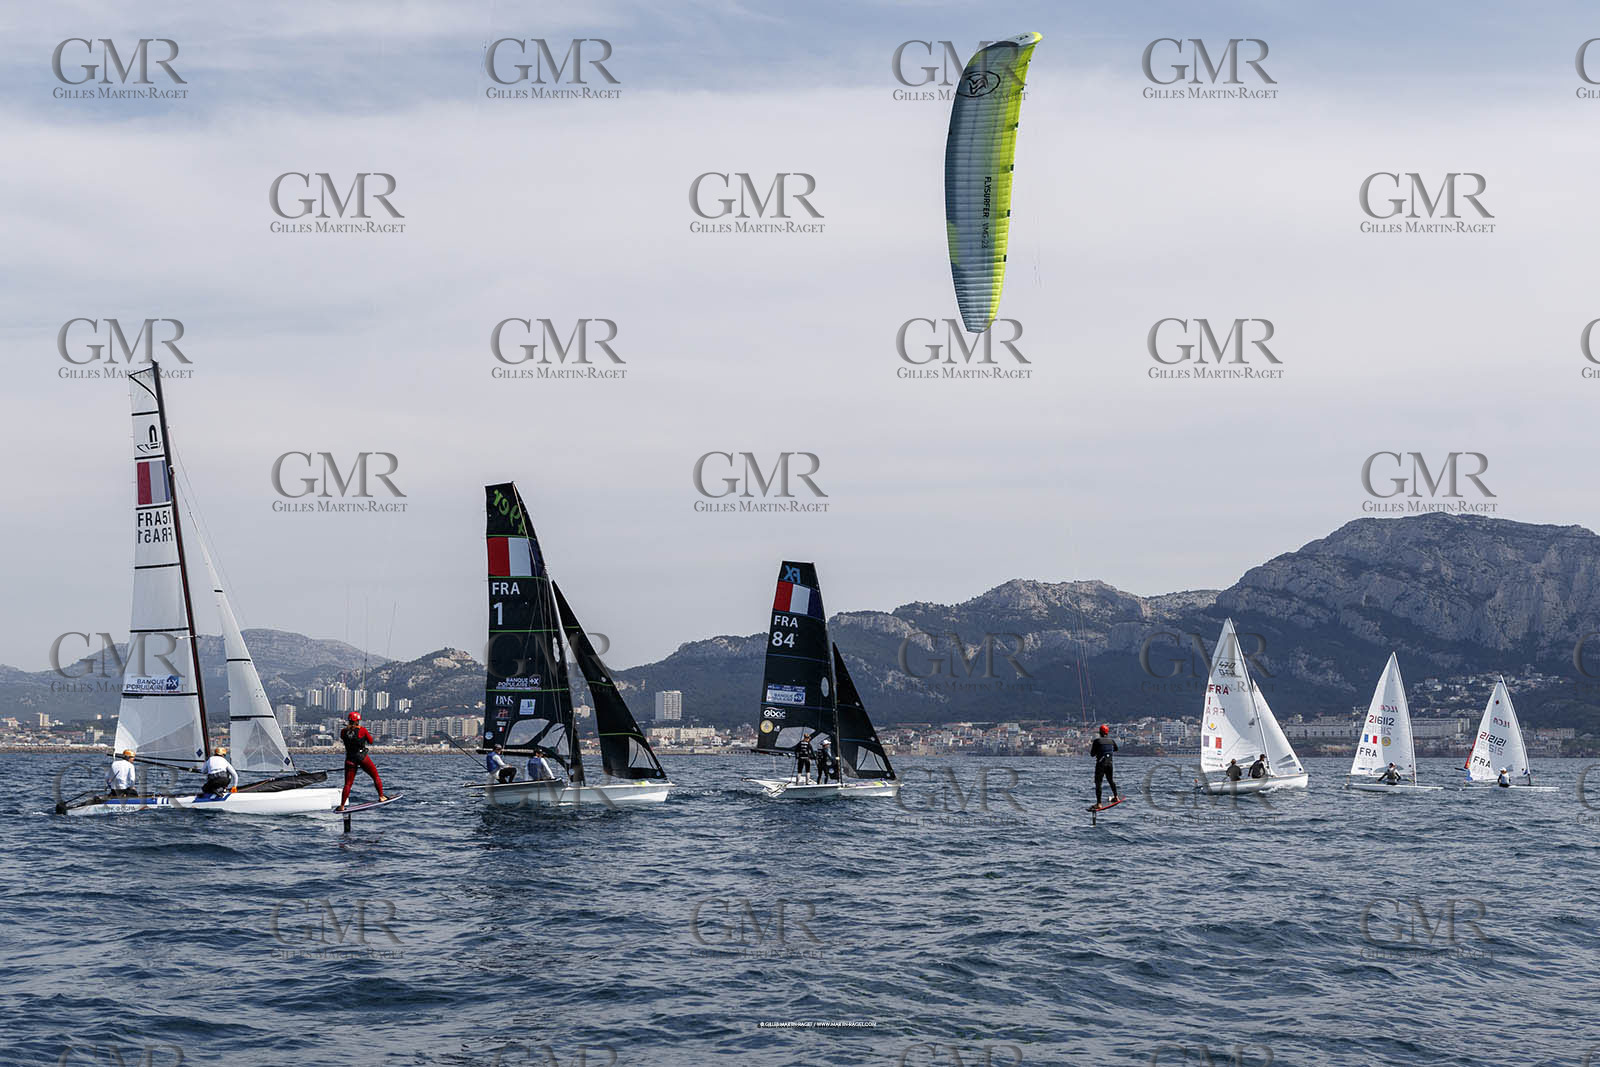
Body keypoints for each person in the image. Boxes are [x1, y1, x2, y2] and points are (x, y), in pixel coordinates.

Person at [339, 711, 387, 810]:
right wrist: (365, 733)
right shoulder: (362, 730)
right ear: (358, 721)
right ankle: (381, 796)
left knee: (348, 784)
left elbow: (345, 736)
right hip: (362, 758)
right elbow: (371, 741)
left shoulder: (343, 731)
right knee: (375, 776)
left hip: (350, 759)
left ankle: (342, 806)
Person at [1090, 724, 1119, 805]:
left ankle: (1099, 804)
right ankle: (1116, 797)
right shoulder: (1112, 741)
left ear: (1100, 732)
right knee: (1111, 780)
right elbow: (1116, 749)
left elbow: (1092, 754)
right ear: (1107, 732)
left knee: (1098, 783)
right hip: (1110, 764)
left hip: (1101, 765)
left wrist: (1098, 751)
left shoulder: (1097, 741)